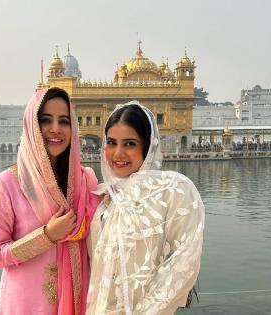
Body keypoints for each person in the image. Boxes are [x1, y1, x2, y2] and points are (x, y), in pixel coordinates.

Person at [0, 88, 100, 315]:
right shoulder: (8, 184)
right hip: (26, 306)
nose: (55, 129)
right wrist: (46, 236)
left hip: (78, 301)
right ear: (31, 125)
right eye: (45, 120)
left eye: (64, 121)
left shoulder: (85, 183)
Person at [86, 101, 205, 315]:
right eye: (112, 143)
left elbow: (183, 264)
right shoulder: (104, 198)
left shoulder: (173, 190)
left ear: (147, 145)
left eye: (129, 144)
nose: (118, 153)